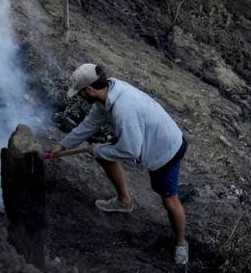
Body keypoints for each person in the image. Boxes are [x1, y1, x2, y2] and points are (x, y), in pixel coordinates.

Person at [49, 63, 189, 266]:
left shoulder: (124, 110)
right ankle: (124, 202)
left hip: (166, 150)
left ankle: (181, 243)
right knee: (104, 154)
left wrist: (98, 150)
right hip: (144, 137)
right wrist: (62, 145)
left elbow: (132, 150)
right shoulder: (108, 93)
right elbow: (89, 125)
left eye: (79, 93)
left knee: (169, 200)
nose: (80, 97)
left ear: (88, 89)